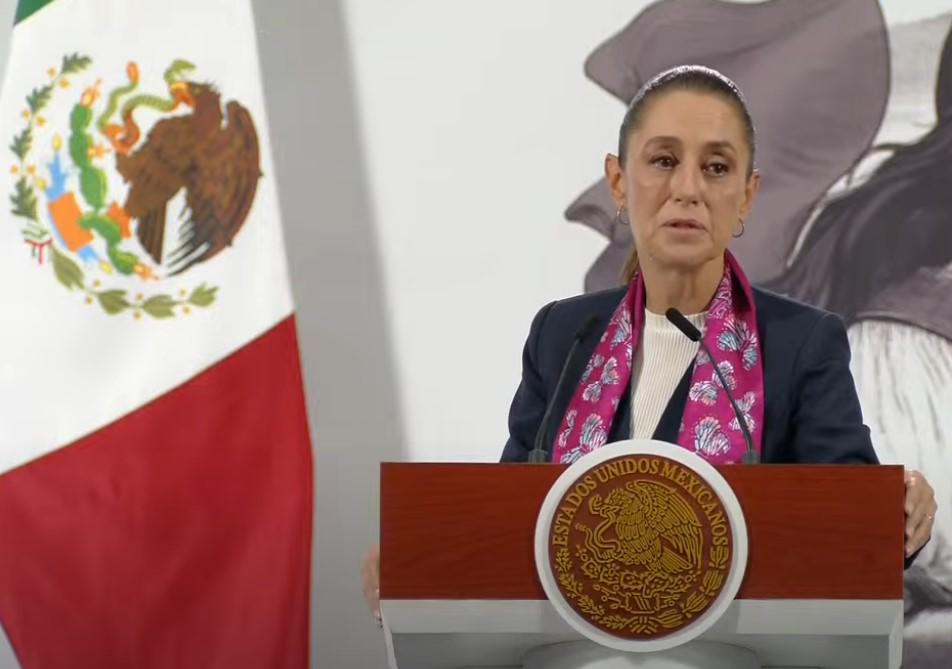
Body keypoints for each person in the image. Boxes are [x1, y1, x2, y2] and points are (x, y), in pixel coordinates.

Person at [361, 65, 937, 623]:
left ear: (746, 195)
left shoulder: (799, 342)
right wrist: (420, 561)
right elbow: (514, 522)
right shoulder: (563, 336)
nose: (688, 189)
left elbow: (854, 526)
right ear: (618, 182)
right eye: (663, 160)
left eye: (716, 167)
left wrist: (900, 512)